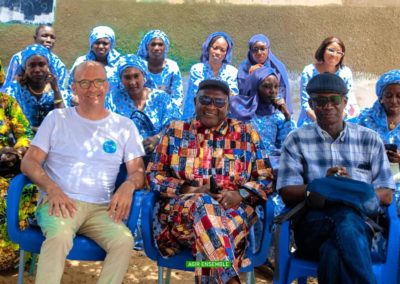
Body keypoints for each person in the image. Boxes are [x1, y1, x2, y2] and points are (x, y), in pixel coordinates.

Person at [20, 61, 146, 284]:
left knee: (124, 241)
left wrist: (128, 185)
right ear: (74, 89)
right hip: (59, 202)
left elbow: (137, 172)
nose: (92, 88)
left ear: (107, 86)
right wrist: (52, 188)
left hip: (102, 209)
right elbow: (29, 163)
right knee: (59, 237)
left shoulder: (124, 126)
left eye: (98, 81)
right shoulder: (56, 119)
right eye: (84, 82)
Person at [147, 79, 274, 283]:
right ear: (195, 100)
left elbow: (267, 179)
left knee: (211, 241)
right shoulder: (176, 131)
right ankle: (231, 279)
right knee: (203, 203)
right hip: (183, 221)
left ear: (228, 105)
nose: (210, 107)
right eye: (205, 100)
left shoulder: (246, 134)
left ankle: (225, 275)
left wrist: (239, 194)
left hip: (233, 216)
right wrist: (191, 189)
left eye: (219, 102)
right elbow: (154, 176)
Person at [277, 73, 395, 283]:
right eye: (320, 101)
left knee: (333, 252)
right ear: (312, 104)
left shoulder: (369, 140)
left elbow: (386, 193)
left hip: (360, 228)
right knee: (346, 217)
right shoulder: (296, 140)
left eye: (335, 99)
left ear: (345, 102)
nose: (328, 106)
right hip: (312, 225)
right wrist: (323, 185)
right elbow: (287, 192)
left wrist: (345, 188)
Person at [108, 54, 181, 160]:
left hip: (159, 160)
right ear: (120, 79)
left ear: (144, 75)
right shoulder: (112, 100)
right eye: (127, 77)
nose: (132, 82)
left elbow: (176, 125)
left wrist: (158, 138)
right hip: (125, 161)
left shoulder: (161, 98)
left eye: (136, 76)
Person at [0, 92, 35, 271]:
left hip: (5, 165)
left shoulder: (6, 102)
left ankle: (19, 253)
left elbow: (25, 132)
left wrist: (17, 151)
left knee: (30, 189)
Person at [4, 44, 71, 132]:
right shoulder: (12, 91)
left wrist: (56, 91)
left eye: (41, 64)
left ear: (48, 66)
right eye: (32, 65)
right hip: (20, 139)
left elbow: (63, 120)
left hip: (52, 139)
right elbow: (7, 122)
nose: (37, 70)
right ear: (25, 68)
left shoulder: (59, 90)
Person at [297, 36, 359, 127]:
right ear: (323, 50)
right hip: (312, 118)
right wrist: (321, 123)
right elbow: (305, 103)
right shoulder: (309, 71)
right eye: (331, 50)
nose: (334, 55)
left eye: (339, 52)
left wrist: (336, 122)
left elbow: (347, 100)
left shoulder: (346, 73)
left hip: (339, 118)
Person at [182, 32, 239, 120]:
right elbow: (194, 95)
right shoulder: (197, 69)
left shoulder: (232, 72)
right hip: (199, 115)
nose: (218, 52)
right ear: (208, 48)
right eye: (215, 48)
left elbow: (232, 98)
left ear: (226, 53)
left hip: (222, 117)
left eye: (222, 50)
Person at [237, 34, 293, 113]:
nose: (259, 52)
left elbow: (282, 92)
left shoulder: (278, 68)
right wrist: (252, 76)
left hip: (274, 111)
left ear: (268, 50)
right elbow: (242, 95)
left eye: (263, 49)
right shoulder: (244, 68)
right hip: (251, 113)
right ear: (250, 50)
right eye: (255, 49)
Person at [2, 25, 67, 90]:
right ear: (35, 38)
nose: (49, 40)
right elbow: (8, 86)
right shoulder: (18, 58)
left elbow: (61, 92)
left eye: (52, 37)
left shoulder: (59, 65)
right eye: (45, 36)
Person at [68, 26, 122, 102]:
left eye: (105, 43)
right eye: (97, 43)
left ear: (111, 45)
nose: (100, 46)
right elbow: (71, 87)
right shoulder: (81, 62)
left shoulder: (120, 63)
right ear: (91, 44)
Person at [137, 30, 184, 111]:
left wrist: (170, 113)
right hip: (142, 110)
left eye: (160, 44)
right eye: (153, 44)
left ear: (165, 47)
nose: (156, 48)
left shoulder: (172, 67)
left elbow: (177, 95)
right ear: (147, 47)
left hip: (166, 111)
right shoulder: (140, 66)